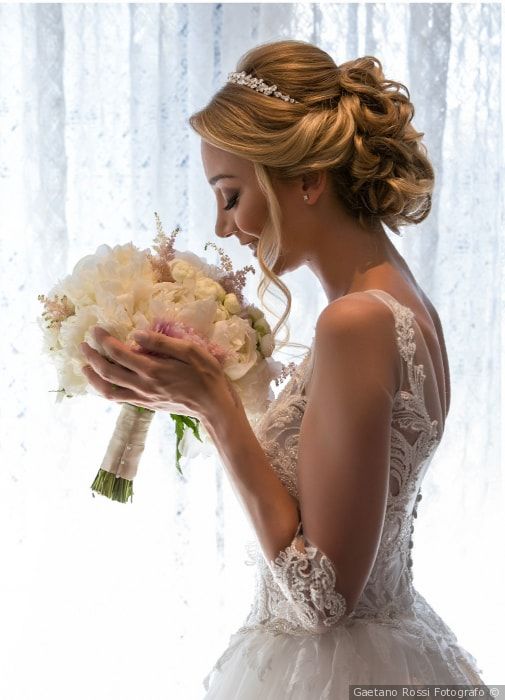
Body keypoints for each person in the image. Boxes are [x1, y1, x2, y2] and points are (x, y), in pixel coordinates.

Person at [187, 39, 486, 696]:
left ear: (307, 180)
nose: (223, 224)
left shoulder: (354, 320)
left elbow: (320, 596)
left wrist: (215, 407)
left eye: (230, 194)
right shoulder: (401, 299)